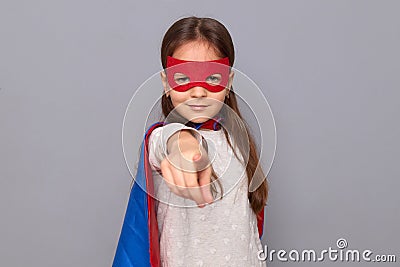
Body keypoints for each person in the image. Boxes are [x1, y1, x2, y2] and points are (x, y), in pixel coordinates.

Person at [113, 16, 268, 267]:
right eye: (183, 78)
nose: (198, 91)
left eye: (213, 78)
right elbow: (167, 142)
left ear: (228, 82)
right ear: (166, 83)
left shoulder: (239, 145)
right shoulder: (161, 138)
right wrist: (181, 145)